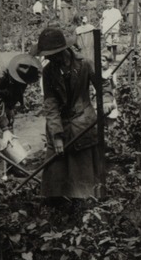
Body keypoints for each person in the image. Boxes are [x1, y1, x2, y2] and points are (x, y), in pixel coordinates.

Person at [35, 27, 104, 205]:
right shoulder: (49, 72)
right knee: (55, 170)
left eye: (51, 55)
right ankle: (60, 207)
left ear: (62, 51)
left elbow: (103, 87)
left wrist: (109, 101)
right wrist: (56, 135)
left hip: (83, 122)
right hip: (60, 123)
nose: (48, 59)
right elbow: (50, 104)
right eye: (46, 56)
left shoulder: (86, 64)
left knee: (83, 170)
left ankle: (87, 206)